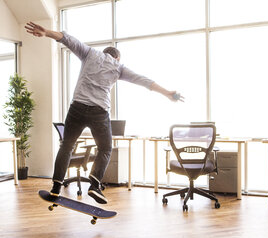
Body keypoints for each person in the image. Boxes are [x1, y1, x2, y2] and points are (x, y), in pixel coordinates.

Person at [25, 21, 184, 204]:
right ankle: (94, 185)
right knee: (105, 148)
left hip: (76, 108)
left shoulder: (90, 53)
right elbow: (144, 81)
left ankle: (55, 187)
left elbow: (68, 39)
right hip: (99, 113)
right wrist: (168, 93)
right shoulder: (119, 68)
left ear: (105, 53)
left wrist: (46, 33)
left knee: (66, 146)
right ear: (117, 58)